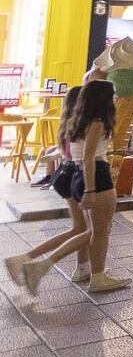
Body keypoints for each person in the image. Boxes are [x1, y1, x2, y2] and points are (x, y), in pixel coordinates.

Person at [14, 81, 129, 294]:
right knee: (98, 231)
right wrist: (91, 190)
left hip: (77, 175)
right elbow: (89, 157)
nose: (115, 99)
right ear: (103, 99)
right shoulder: (97, 122)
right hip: (95, 176)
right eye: (112, 95)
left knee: (91, 230)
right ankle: (85, 274)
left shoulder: (78, 122)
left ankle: (86, 270)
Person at [7, 89, 91, 290]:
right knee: (90, 230)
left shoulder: (66, 122)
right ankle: (29, 260)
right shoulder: (82, 123)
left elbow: (63, 151)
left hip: (64, 174)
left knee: (80, 228)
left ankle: (82, 268)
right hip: (76, 175)